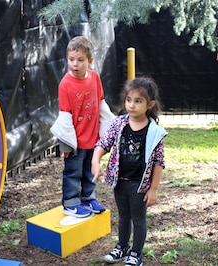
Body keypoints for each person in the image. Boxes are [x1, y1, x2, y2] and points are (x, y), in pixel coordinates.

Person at [91, 77, 168, 266]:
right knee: (124, 216)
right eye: (128, 100)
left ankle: (136, 254)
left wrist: (154, 189)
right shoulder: (119, 124)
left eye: (138, 101)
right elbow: (103, 143)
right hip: (120, 182)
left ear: (149, 104)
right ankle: (122, 247)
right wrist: (95, 160)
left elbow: (159, 162)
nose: (131, 105)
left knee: (138, 219)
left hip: (139, 185)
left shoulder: (154, 132)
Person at [50, 36, 115, 218]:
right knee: (73, 172)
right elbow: (64, 118)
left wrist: (108, 133)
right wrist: (66, 145)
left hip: (93, 140)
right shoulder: (65, 85)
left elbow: (101, 105)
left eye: (80, 60)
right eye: (71, 59)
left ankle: (88, 198)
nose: (75, 64)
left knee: (89, 171)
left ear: (90, 61)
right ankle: (70, 203)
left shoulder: (94, 78)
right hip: (76, 143)